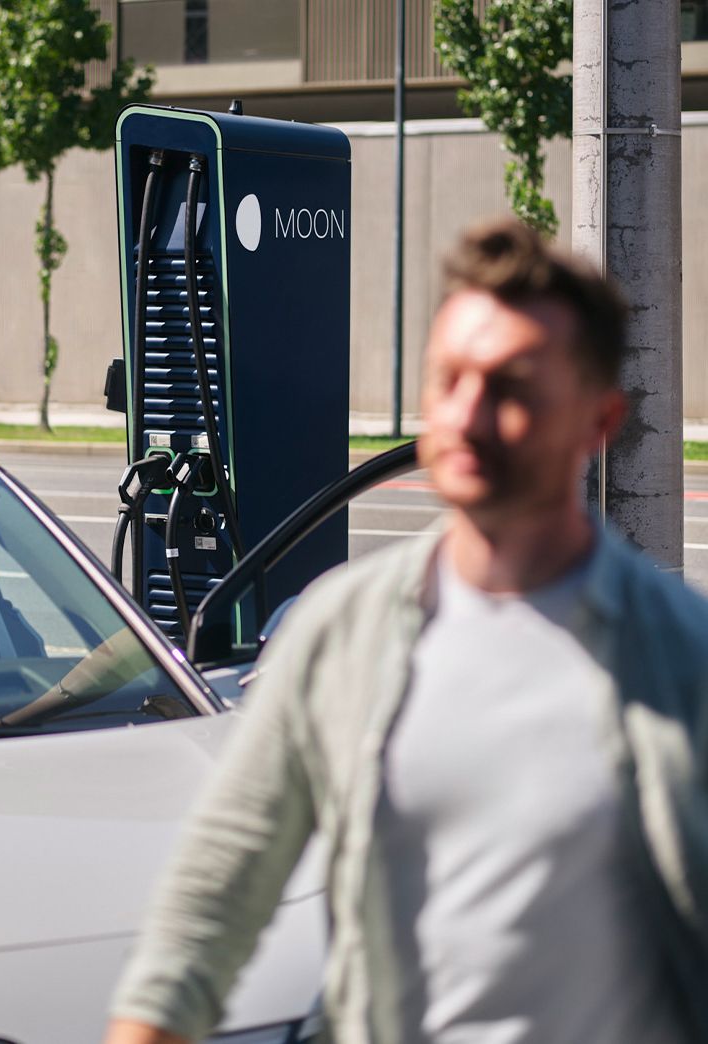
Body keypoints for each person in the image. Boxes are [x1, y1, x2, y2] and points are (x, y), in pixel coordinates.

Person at [105, 219, 708, 1044]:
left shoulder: (681, 658)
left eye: (513, 387)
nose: (469, 415)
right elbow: (209, 901)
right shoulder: (338, 632)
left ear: (598, 421)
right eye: (449, 379)